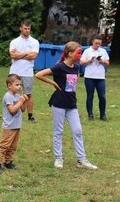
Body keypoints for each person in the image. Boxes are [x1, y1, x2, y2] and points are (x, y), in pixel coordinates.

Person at [35, 41, 98, 170]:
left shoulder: (76, 67)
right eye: (78, 52)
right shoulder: (59, 67)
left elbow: (73, 85)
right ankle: (58, 158)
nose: (80, 55)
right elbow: (38, 74)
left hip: (71, 103)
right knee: (58, 131)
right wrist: (52, 83)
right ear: (70, 53)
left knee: (78, 131)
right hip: (59, 103)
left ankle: (81, 160)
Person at [0, 74, 29, 174]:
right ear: (9, 86)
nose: (19, 87)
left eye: (20, 85)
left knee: (13, 146)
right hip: (9, 126)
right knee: (4, 145)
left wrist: (25, 101)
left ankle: (8, 162)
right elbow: (12, 110)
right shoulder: (8, 96)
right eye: (17, 85)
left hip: (17, 126)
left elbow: (22, 110)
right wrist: (20, 101)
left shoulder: (17, 96)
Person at [9, 19, 39, 123]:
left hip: (27, 72)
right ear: (21, 28)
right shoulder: (14, 42)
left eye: (29, 29)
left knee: (28, 94)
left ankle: (30, 115)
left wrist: (19, 54)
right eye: (25, 28)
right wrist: (26, 53)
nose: (27, 30)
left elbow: (34, 56)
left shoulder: (34, 42)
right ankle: (12, 112)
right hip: (15, 71)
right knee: (13, 92)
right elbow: (13, 55)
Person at [80, 34, 110, 121]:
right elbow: (81, 62)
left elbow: (108, 63)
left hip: (100, 77)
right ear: (92, 42)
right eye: (96, 43)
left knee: (102, 96)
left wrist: (102, 61)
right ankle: (90, 115)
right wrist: (89, 60)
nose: (97, 45)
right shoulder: (87, 51)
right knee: (90, 96)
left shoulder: (103, 51)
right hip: (89, 76)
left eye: (99, 44)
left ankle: (103, 114)